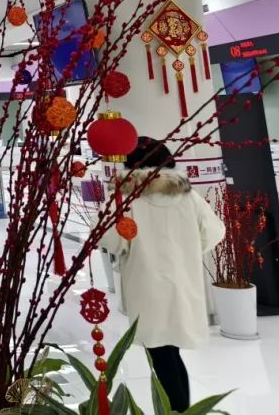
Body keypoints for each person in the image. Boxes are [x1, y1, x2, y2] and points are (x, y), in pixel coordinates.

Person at [100, 136, 226, 412]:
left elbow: (112, 240)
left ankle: (178, 410)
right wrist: (189, 250)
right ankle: (183, 409)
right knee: (171, 352)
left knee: (161, 353)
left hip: (146, 284)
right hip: (182, 283)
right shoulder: (187, 195)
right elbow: (215, 231)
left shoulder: (126, 198)